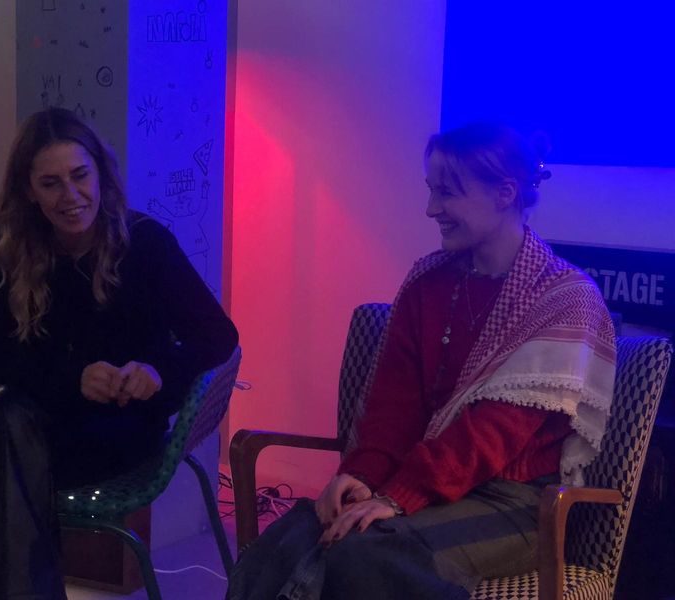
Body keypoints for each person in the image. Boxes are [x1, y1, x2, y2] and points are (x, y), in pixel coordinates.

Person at [227, 123, 616, 600]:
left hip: (512, 503)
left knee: (367, 554)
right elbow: (394, 409)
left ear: (505, 193)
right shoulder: (428, 282)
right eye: (431, 190)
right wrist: (362, 476)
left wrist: (399, 496)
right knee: (289, 538)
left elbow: (490, 435)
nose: (432, 209)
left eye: (447, 193)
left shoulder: (563, 300)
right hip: (424, 476)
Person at [0, 107, 238, 599]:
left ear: (100, 174)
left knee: (1, 454)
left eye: (80, 176)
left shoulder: (145, 243)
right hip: (38, 419)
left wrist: (157, 371)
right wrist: (74, 379)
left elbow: (218, 336)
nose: (71, 196)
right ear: (29, 191)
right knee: (9, 431)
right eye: (51, 183)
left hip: (118, 429)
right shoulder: (10, 249)